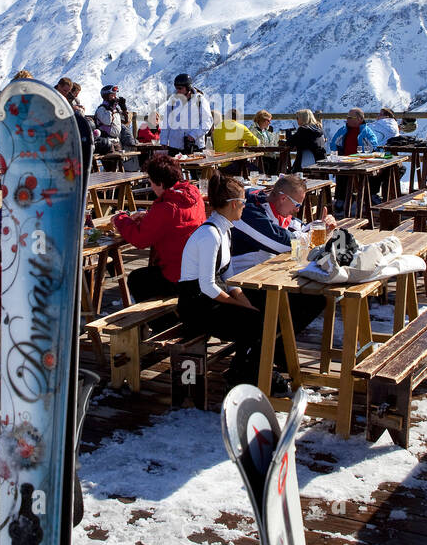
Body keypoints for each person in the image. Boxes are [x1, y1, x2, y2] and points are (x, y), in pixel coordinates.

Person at [178, 174, 282, 392]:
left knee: (263, 313)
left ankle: (244, 369)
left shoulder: (225, 231)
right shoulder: (210, 235)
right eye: (244, 203)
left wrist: (245, 302)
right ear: (234, 204)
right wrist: (240, 306)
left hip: (209, 297)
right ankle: (244, 373)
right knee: (256, 322)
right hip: (196, 304)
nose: (245, 208)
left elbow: (230, 278)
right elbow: (207, 285)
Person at [110, 154, 205, 302]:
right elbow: (178, 219)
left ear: (160, 183)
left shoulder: (166, 207)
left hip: (180, 275)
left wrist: (120, 219)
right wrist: (148, 216)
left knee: (137, 280)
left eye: (151, 182)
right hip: (199, 269)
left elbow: (140, 240)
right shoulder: (193, 193)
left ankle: (163, 323)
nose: (151, 187)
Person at [229, 174, 338, 275]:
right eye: (297, 204)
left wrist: (322, 226)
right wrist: (315, 234)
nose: (297, 209)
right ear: (283, 198)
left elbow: (300, 229)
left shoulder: (275, 208)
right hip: (239, 280)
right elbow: (283, 243)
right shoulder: (248, 212)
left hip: (263, 274)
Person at [160, 73, 213, 155]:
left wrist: (193, 135)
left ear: (188, 87)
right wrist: (164, 140)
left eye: (180, 88)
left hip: (194, 146)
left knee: (193, 167)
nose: (178, 91)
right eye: (176, 88)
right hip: (175, 146)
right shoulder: (173, 101)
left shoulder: (200, 100)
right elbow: (166, 122)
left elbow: (207, 122)